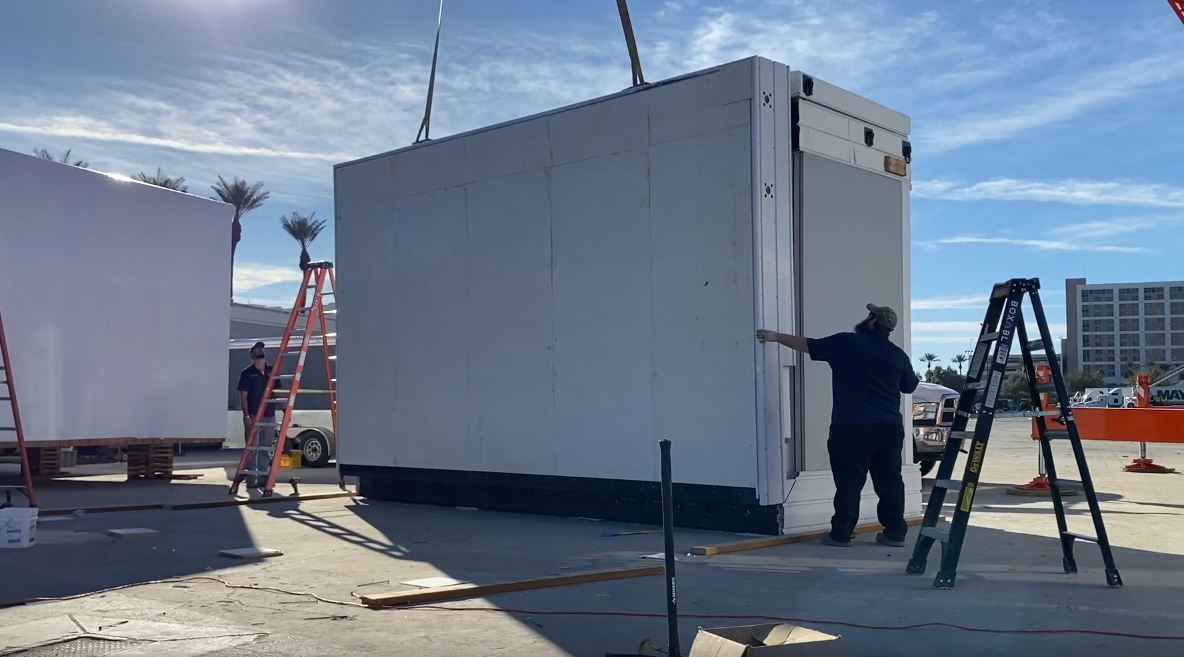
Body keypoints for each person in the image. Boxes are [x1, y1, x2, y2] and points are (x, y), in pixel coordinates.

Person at [757, 303, 919, 548]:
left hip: (852, 427)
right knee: (890, 482)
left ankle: (842, 533)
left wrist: (776, 337)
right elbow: (909, 386)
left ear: (874, 322)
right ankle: (895, 533)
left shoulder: (848, 343)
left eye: (870, 316)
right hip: (889, 428)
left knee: (848, 482)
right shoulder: (897, 354)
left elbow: (808, 345)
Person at [237, 342, 283, 482]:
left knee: (265, 447)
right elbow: (243, 396)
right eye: (258, 349)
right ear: (252, 354)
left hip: (269, 415)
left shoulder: (272, 371)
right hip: (253, 415)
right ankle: (251, 480)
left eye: (262, 349)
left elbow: (278, 392)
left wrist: (284, 409)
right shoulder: (247, 373)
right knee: (252, 448)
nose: (261, 350)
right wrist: (246, 416)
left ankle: (263, 478)